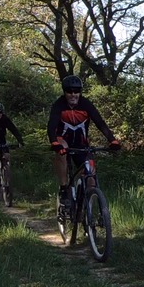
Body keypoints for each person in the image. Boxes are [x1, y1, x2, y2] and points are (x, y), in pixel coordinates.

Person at [47, 75, 120, 210]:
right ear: (64, 92)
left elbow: (100, 122)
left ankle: (87, 212)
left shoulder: (86, 104)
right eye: (69, 91)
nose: (73, 94)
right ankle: (63, 188)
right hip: (63, 142)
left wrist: (112, 140)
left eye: (76, 91)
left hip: (81, 145)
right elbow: (51, 125)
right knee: (62, 151)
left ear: (80, 92)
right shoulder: (59, 105)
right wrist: (54, 142)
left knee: (91, 178)